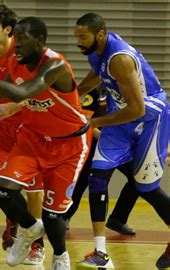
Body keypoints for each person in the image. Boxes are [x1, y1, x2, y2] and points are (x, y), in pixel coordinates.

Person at [0, 16, 92, 270]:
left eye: (23, 40)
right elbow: (6, 85)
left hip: (68, 145)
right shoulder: (15, 61)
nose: (17, 46)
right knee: (3, 190)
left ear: (40, 41)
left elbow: (22, 93)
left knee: (53, 215)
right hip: (33, 138)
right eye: (16, 41)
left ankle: (60, 256)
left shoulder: (54, 66)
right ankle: (29, 228)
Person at [73, 13, 170, 269]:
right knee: (98, 176)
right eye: (76, 37)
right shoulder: (96, 52)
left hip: (149, 116)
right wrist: (77, 92)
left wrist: (92, 123)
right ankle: (101, 254)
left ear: (101, 34)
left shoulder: (121, 60)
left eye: (83, 37)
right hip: (122, 113)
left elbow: (137, 110)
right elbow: (98, 75)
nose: (78, 42)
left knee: (145, 187)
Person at [0, 4, 45, 264]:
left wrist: (15, 105)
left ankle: (37, 243)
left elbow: (41, 90)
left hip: (29, 125)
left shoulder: (27, 51)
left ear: (8, 30)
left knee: (34, 189)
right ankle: (14, 218)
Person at [64, 85, 139, 236]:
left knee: (138, 178)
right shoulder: (94, 91)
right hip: (95, 145)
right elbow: (85, 123)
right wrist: (106, 140)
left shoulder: (128, 91)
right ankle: (64, 216)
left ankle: (118, 219)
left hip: (119, 147)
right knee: (82, 181)